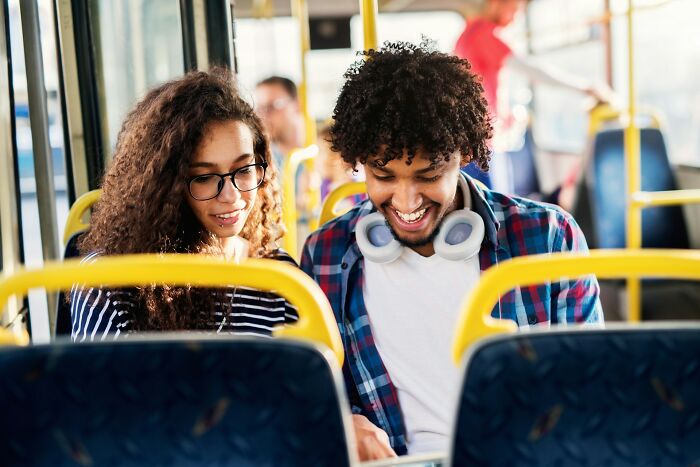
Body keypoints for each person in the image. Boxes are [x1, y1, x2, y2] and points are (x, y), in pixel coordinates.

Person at [300, 41, 603, 460]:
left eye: (428, 175)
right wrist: (340, 419)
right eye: (383, 175)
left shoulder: (550, 238)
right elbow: (318, 389)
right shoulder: (327, 255)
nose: (406, 202)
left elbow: (586, 385)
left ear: (463, 155)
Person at [70, 69, 297, 341]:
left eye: (244, 169)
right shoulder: (111, 280)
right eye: (204, 177)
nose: (231, 195)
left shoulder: (282, 278)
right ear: (166, 186)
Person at [454, 0, 614, 193]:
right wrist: (585, 87)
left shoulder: (468, 34)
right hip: (482, 142)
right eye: (513, 10)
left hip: (476, 137)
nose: (515, 18)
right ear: (495, 4)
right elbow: (532, 70)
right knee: (493, 207)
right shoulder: (483, 33)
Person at [254, 76, 305, 173]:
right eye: (260, 108)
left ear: (297, 104)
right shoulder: (263, 162)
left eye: (274, 105)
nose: (264, 115)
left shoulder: (323, 149)